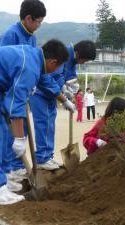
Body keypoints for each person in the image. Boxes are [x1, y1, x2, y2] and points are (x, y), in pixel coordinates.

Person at [0, 39, 73, 205]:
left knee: (4, 134)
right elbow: (16, 103)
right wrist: (21, 139)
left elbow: (45, 82)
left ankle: (4, 178)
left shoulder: (36, 60)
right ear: (52, 62)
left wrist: (64, 100)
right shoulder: (30, 66)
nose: (55, 71)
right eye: (57, 67)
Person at [0, 0, 46, 184]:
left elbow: (29, 64)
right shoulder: (10, 35)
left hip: (21, 89)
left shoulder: (31, 38)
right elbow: (2, 65)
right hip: (6, 88)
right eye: (38, 21)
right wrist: (16, 90)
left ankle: (18, 166)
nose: (38, 26)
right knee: (10, 130)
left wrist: (29, 84)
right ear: (28, 18)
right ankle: (10, 169)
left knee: (21, 128)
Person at [30, 40, 96, 170]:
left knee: (50, 126)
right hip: (40, 94)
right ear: (78, 53)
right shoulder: (63, 56)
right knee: (44, 125)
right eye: (85, 60)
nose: (84, 63)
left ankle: (47, 157)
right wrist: (64, 99)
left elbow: (63, 78)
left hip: (51, 96)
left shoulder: (73, 59)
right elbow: (48, 79)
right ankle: (42, 158)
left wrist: (65, 88)